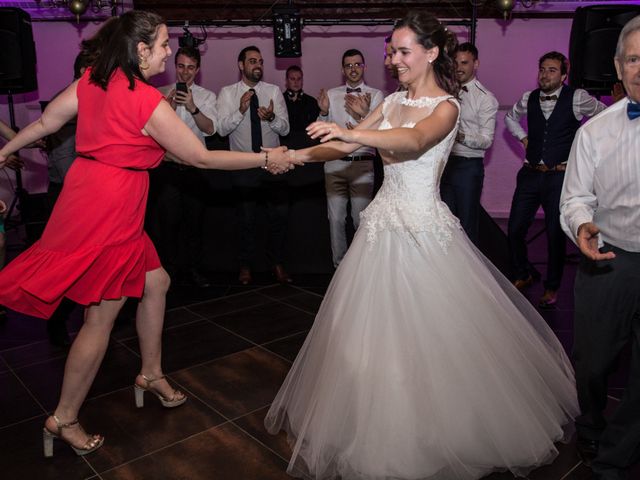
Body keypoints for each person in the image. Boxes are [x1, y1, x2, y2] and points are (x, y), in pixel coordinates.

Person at [265, 11, 578, 480]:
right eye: (390, 51)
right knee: (366, 341)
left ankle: (441, 432)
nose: (392, 60)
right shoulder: (390, 102)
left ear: (431, 52)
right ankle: (374, 426)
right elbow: (345, 148)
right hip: (380, 232)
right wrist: (295, 155)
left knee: (437, 340)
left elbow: (411, 142)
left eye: (402, 50)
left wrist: (349, 131)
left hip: (424, 233)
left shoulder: (446, 107)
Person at [0, 10, 297, 458]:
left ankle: (151, 373)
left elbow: (46, 124)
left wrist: (1, 151)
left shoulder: (93, 81)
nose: (167, 53)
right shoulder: (145, 100)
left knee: (156, 281)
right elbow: (199, 157)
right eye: (162, 45)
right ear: (140, 51)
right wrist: (265, 157)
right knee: (99, 318)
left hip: (91, 192)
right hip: (110, 207)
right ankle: (63, 418)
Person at [560, 15, 640, 479]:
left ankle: (616, 454)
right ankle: (591, 421)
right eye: (634, 58)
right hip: (608, 259)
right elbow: (575, 197)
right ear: (617, 65)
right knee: (592, 363)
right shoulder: (594, 131)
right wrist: (582, 224)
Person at [505, 51, 605, 307]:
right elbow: (509, 118)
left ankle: (552, 287)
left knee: (554, 234)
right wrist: (524, 138)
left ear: (563, 74)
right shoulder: (529, 98)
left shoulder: (578, 98)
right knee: (515, 228)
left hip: (560, 177)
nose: (545, 75)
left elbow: (603, 118)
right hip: (530, 174)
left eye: (551, 70)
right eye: (542, 69)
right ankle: (524, 272)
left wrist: (584, 148)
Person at [217, 46, 293, 285]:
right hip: (243, 166)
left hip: (273, 164)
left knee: (279, 216)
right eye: (252, 61)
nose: (257, 65)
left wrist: (271, 118)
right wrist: (240, 110)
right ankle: (245, 266)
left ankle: (277, 263)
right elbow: (221, 129)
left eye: (259, 61)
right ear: (241, 65)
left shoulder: (273, 91)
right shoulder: (227, 93)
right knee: (246, 220)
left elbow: (286, 128)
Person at [152, 46, 218, 288]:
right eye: (181, 66)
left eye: (191, 67)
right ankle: (168, 274)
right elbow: (152, 133)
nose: (185, 72)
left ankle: (193, 271)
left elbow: (211, 129)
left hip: (195, 168)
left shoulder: (207, 96)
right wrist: (166, 110)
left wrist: (192, 107)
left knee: (194, 224)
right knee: (167, 224)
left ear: (197, 70)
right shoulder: (159, 93)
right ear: (175, 66)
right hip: (167, 169)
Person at [316, 48, 384, 268]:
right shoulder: (333, 94)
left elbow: (382, 132)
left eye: (357, 64)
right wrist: (324, 112)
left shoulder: (376, 95)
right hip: (334, 163)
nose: (353, 69)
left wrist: (364, 114)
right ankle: (339, 269)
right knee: (335, 220)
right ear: (342, 69)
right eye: (349, 65)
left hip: (362, 164)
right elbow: (321, 132)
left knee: (360, 220)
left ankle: (361, 268)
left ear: (364, 67)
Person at [440, 42, 498, 246]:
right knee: (443, 223)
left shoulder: (486, 99)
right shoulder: (442, 91)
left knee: (466, 225)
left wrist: (460, 136)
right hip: (443, 165)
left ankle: (468, 276)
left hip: (468, 167)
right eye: (455, 62)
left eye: (464, 63)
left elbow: (486, 140)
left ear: (476, 64)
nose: (459, 67)